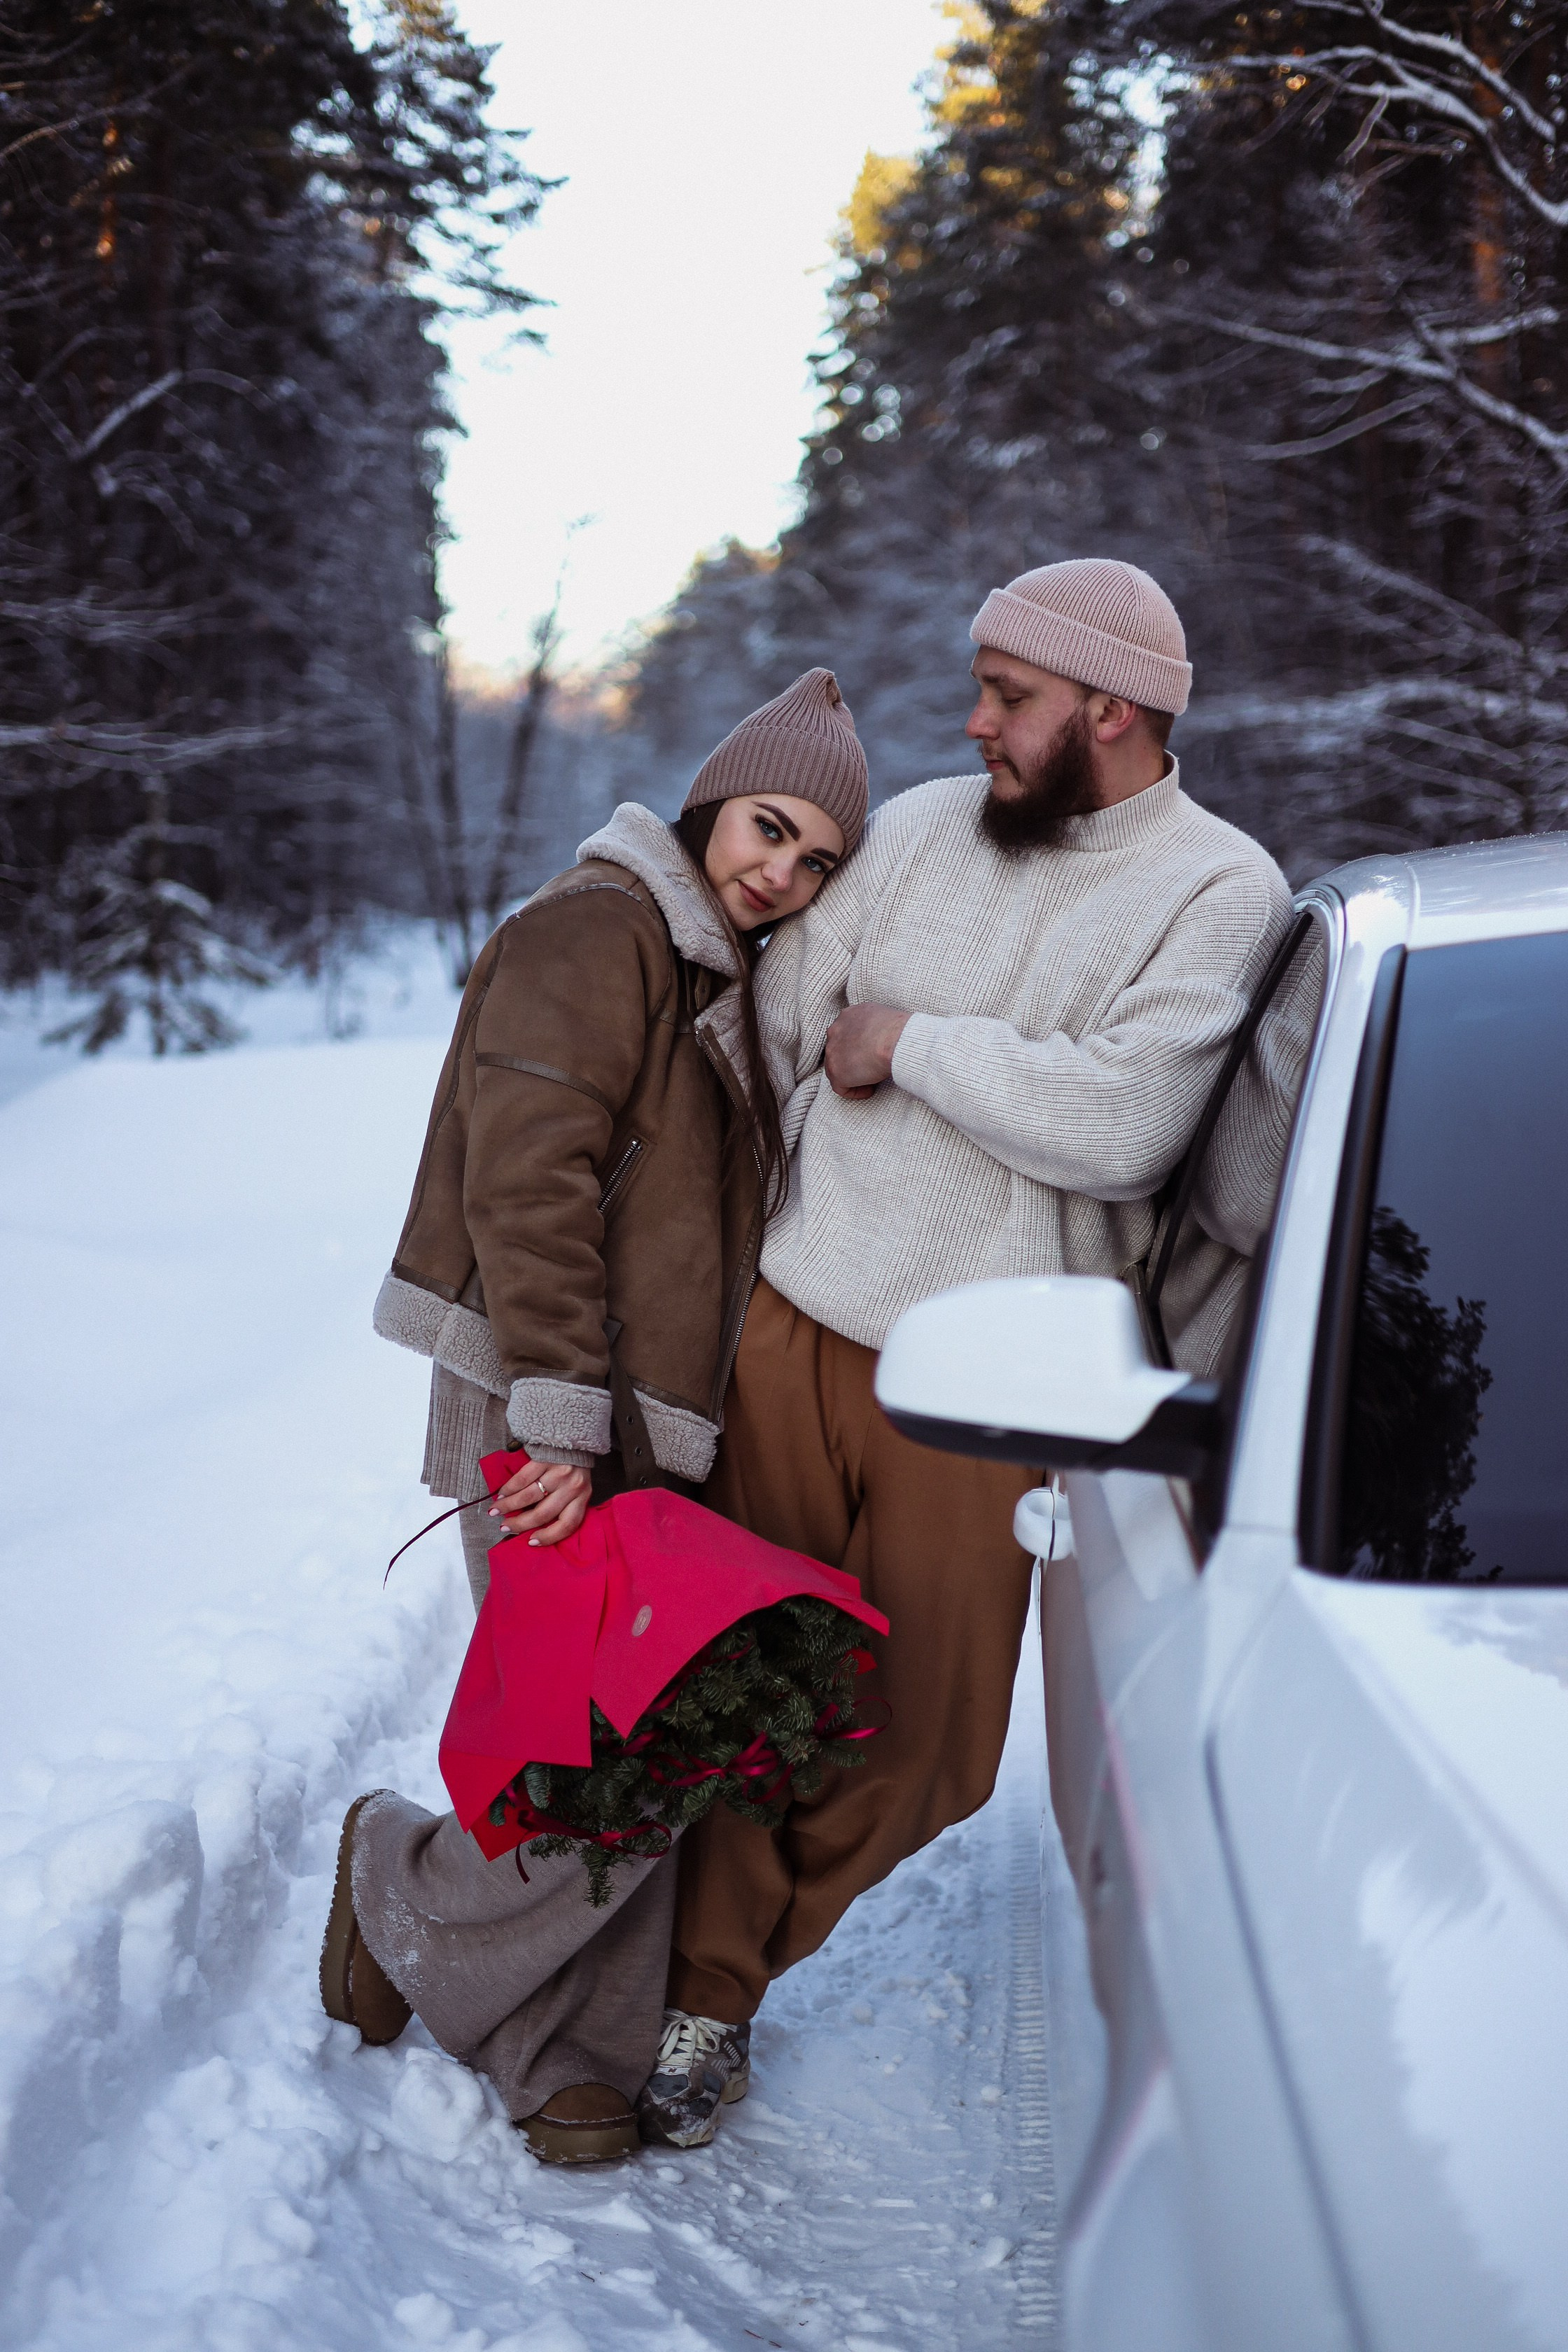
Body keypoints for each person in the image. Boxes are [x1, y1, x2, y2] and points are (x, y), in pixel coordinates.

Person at [638, 559, 1295, 2150]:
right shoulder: (926, 827)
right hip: (795, 1326)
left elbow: (1125, 1124)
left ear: (1109, 712)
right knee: (746, 1695)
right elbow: (783, 1026)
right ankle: (695, 2001)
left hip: (1005, 1375)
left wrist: (910, 1045)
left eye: (1009, 695)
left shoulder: (1219, 889)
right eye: (983, 688)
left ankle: (678, 1957)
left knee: (929, 1745)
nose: (977, 722)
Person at [319, 671, 867, 2165]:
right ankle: (394, 1883)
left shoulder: (706, 970)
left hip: (640, 1417)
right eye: (770, 827)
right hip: (542, 1400)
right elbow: (530, 1184)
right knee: (588, 1748)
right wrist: (557, 1421)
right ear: (709, 798)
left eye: (817, 859)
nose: (782, 872)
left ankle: (577, 2047)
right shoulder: (597, 930)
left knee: (639, 1734)